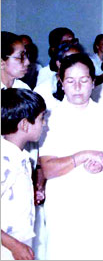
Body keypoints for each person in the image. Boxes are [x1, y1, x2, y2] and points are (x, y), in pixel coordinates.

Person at [38, 53, 103, 260]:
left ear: (93, 82)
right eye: (70, 81)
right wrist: (83, 155)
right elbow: (49, 169)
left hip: (100, 202)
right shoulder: (50, 117)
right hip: (65, 204)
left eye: (84, 80)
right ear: (61, 83)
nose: (77, 87)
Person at [1, 88, 47, 260]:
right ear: (24, 125)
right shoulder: (4, 160)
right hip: (7, 247)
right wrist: (13, 245)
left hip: (20, 241)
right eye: (41, 118)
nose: (44, 124)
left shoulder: (20, 157)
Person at [34, 42, 85, 113]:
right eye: (71, 60)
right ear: (59, 63)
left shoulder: (86, 85)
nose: (76, 65)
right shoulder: (43, 90)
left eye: (80, 60)